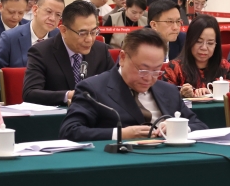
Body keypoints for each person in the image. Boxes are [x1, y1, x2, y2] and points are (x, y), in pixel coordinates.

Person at [60, 28, 208, 141]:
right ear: (123, 58)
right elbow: (70, 131)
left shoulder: (168, 90)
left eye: (156, 71)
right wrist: (121, 134)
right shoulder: (93, 89)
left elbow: (200, 126)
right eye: (143, 70)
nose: (149, 78)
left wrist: (179, 128)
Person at [23, 0, 114, 106]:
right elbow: (30, 93)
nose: (89, 39)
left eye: (94, 32)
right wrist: (69, 95)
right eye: (82, 33)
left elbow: (116, 85)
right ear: (64, 30)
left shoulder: (101, 50)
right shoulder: (41, 52)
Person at [163, 15, 230, 97]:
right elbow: (164, 94)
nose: (204, 48)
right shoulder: (175, 67)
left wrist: (215, 88)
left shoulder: (223, 65)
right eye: (199, 41)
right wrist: (182, 94)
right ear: (189, 41)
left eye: (210, 43)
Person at [0, 0, 64, 71]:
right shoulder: (10, 37)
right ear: (35, 10)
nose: (53, 18)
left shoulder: (60, 38)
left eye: (58, 15)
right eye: (48, 12)